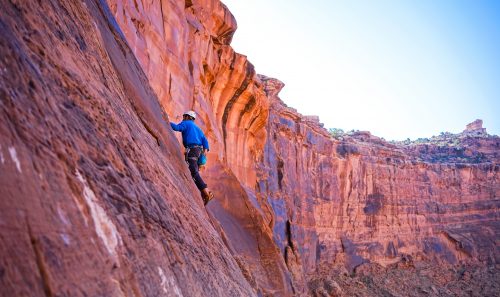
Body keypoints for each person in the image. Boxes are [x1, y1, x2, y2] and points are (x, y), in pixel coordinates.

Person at [170, 110, 214, 205]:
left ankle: (206, 192)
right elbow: (205, 140)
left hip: (192, 149)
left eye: (184, 116)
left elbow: (177, 128)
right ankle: (203, 193)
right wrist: (205, 151)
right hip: (199, 151)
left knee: (193, 171)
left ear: (187, 116)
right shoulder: (197, 128)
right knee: (195, 172)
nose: (183, 118)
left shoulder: (186, 123)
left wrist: (166, 121)